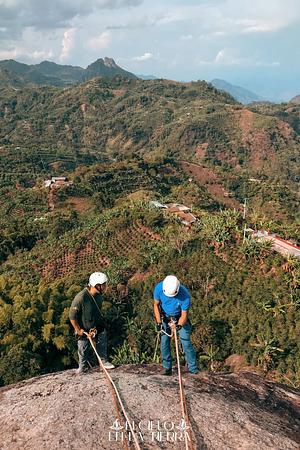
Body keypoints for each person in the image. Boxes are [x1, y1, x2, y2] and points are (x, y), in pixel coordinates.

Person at [69, 271, 115, 373]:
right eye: (103, 285)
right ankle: (82, 366)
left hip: (96, 325)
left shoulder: (99, 296)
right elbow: (72, 316)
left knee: (102, 340)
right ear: (97, 285)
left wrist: (96, 326)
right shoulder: (81, 297)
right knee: (83, 348)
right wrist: (78, 329)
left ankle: (103, 361)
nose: (105, 286)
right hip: (83, 329)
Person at [153, 275, 198, 375]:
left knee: (185, 341)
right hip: (165, 317)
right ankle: (167, 368)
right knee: (164, 341)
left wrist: (179, 326)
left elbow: (184, 315)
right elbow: (156, 305)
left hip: (179, 317)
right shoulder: (159, 288)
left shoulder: (184, 295)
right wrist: (159, 322)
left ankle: (193, 369)